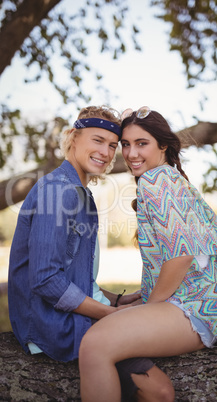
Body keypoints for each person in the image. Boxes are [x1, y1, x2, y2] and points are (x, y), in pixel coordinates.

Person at [78, 106, 217, 402]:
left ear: (163, 145)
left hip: (195, 308)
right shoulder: (171, 179)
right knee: (111, 331)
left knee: (94, 344)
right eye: (125, 144)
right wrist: (145, 296)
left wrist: (149, 306)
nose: (131, 153)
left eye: (142, 143)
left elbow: (181, 257)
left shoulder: (156, 181)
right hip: (206, 306)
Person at [8, 105, 174, 401]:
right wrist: (111, 315)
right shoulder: (58, 191)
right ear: (74, 137)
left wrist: (119, 299)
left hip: (65, 317)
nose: (107, 152)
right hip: (50, 326)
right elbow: (46, 280)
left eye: (113, 145)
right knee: (157, 389)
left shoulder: (79, 194)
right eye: (97, 140)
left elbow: (72, 275)